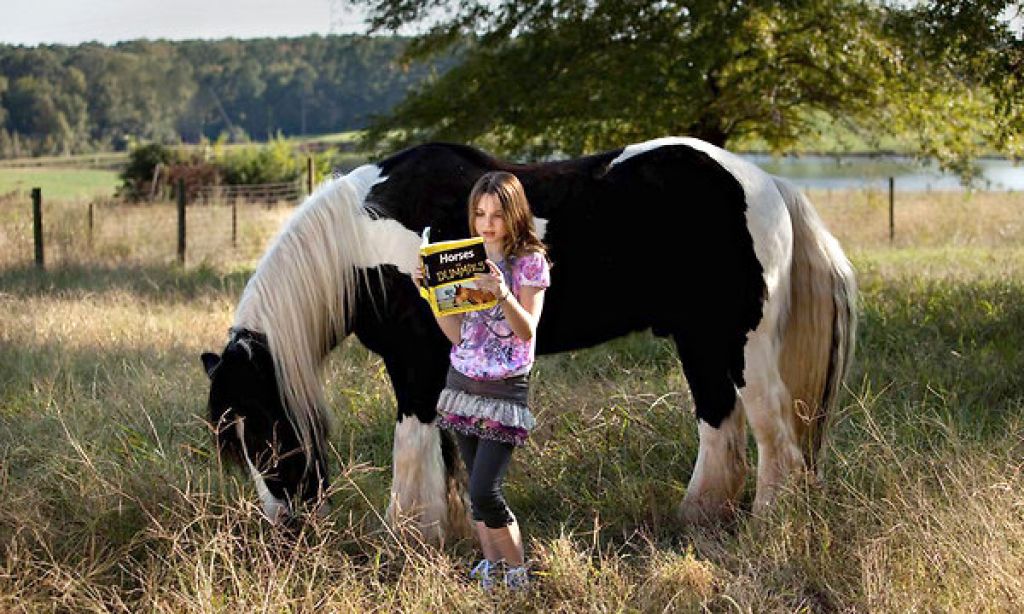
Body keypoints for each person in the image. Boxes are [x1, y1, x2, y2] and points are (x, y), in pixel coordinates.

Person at [414, 171, 551, 591]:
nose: (487, 223)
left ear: (515, 213)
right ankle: (491, 567)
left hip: (504, 388)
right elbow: (458, 334)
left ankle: (517, 574)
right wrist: (431, 294)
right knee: (475, 494)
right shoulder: (465, 257)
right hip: (462, 384)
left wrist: (502, 292)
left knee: (486, 490)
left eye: (496, 214)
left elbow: (527, 330)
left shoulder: (530, 261)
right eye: (479, 213)